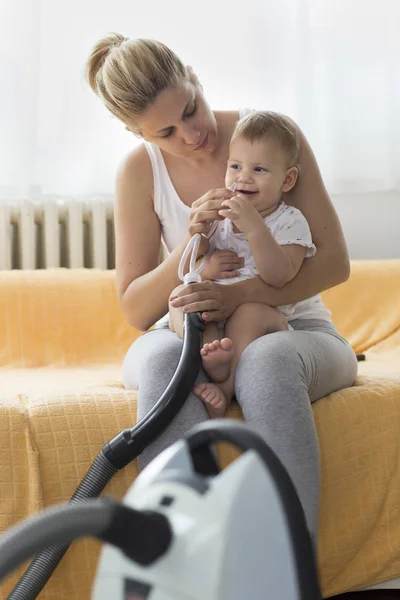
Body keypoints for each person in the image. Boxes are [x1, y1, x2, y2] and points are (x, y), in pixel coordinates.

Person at [85, 34, 358, 540]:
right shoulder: (139, 173)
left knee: (268, 360)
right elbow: (134, 308)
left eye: (192, 109)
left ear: (195, 77)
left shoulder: (268, 139)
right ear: (135, 131)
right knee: (167, 363)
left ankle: (284, 574)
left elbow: (335, 264)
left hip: (295, 328)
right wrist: (189, 239)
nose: (192, 135)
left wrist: (240, 297)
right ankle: (181, 566)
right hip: (193, 328)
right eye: (166, 131)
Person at [169, 110, 332, 420]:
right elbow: (195, 265)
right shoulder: (222, 215)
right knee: (178, 298)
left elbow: (280, 276)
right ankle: (209, 351)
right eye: (235, 166)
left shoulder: (290, 221)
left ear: (287, 179)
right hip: (215, 311)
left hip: (262, 315)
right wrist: (199, 235)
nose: (243, 177)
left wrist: (255, 227)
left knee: (249, 314)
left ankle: (225, 386)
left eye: (258, 169)